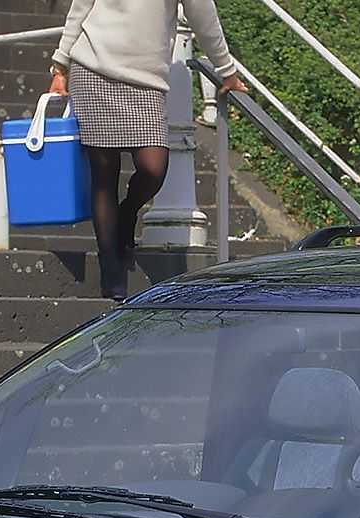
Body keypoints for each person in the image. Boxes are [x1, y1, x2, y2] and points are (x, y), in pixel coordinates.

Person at [47, 0, 248, 299]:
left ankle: (127, 213)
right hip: (92, 68)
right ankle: (110, 264)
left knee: (154, 168)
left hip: (147, 82)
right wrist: (61, 64)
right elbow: (81, 7)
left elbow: (202, 13)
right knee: (103, 174)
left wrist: (226, 69)